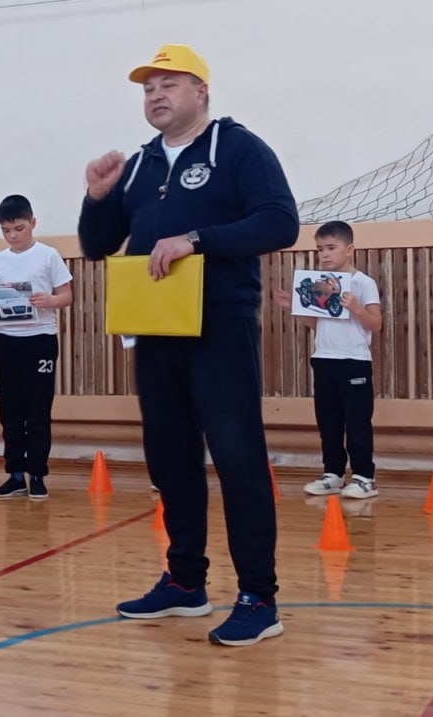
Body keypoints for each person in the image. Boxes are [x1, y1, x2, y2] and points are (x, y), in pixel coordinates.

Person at [78, 44, 299, 646]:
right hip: (155, 328)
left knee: (237, 458)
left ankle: (258, 598)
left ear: (201, 91)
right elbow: (98, 245)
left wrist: (196, 239)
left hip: (220, 327)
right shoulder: (141, 164)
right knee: (170, 459)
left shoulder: (238, 148)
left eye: (168, 84)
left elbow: (280, 221)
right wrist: (96, 198)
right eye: (148, 87)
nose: (155, 94)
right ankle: (185, 582)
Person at [0, 195, 73, 500]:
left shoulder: (48, 255)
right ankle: (15, 475)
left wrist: (50, 300)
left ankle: (37, 473)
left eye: (19, 228)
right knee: (10, 410)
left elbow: (67, 295)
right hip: (6, 341)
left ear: (32, 223)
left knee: (37, 410)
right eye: (6, 230)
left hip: (40, 338)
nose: (13, 235)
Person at [273, 221, 382, 499]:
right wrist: (295, 308)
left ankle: (364, 478)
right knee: (328, 422)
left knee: (356, 422)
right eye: (320, 249)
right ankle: (333, 474)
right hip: (323, 359)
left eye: (331, 248)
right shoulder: (320, 284)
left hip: (354, 360)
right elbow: (318, 324)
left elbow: (376, 323)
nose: (325, 254)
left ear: (349, 249)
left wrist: (357, 308)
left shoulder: (363, 282)